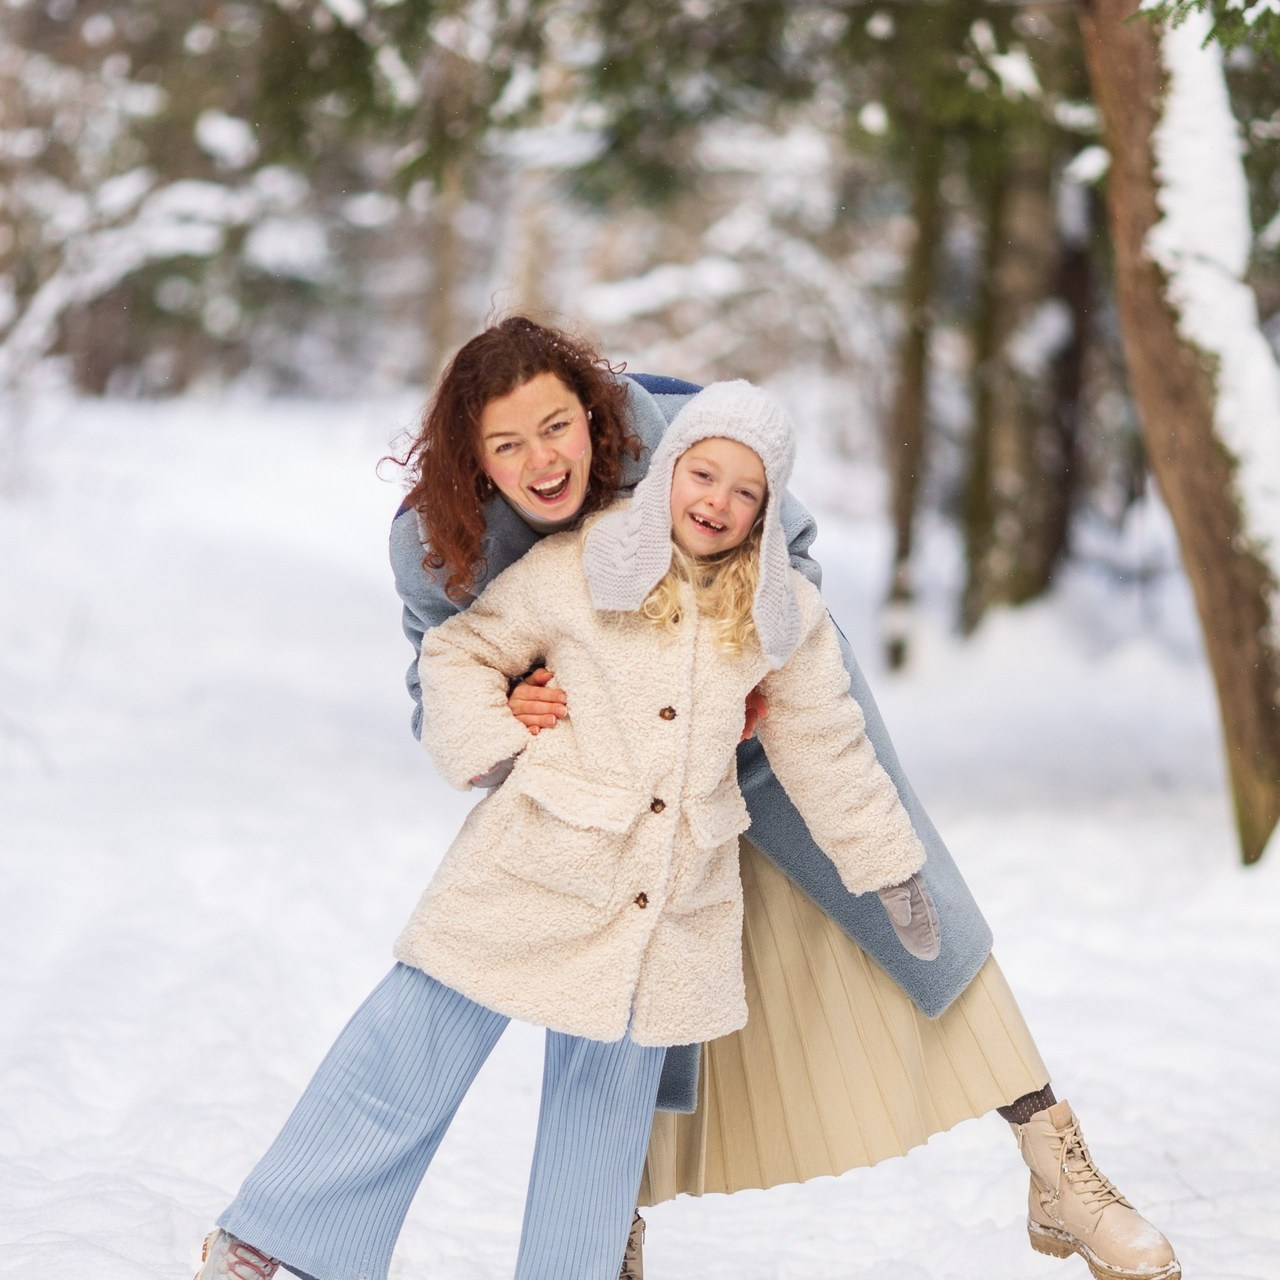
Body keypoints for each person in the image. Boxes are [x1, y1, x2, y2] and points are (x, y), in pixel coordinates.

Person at [384, 317, 1180, 1280]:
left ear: (592, 410)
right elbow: (441, 681)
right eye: (508, 443)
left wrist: (758, 643)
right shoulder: (434, 540)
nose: (543, 459)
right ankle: (607, 1224)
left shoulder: (674, 426)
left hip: (771, 716)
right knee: (628, 989)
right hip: (615, 777)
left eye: (559, 426)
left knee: (920, 911)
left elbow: (791, 543)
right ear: (471, 450)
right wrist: (510, 704)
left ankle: (1055, 1162)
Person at [193, 382, 931, 1280]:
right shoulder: (584, 566)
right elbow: (462, 650)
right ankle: (279, 1241)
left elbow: (828, 744)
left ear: (770, 511)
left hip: (665, 894)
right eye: (703, 474)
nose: (717, 502)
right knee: (413, 1044)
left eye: (747, 491)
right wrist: (504, 749)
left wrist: (891, 868)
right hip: (536, 860)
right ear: (668, 471)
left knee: (604, 1120)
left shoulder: (782, 620)